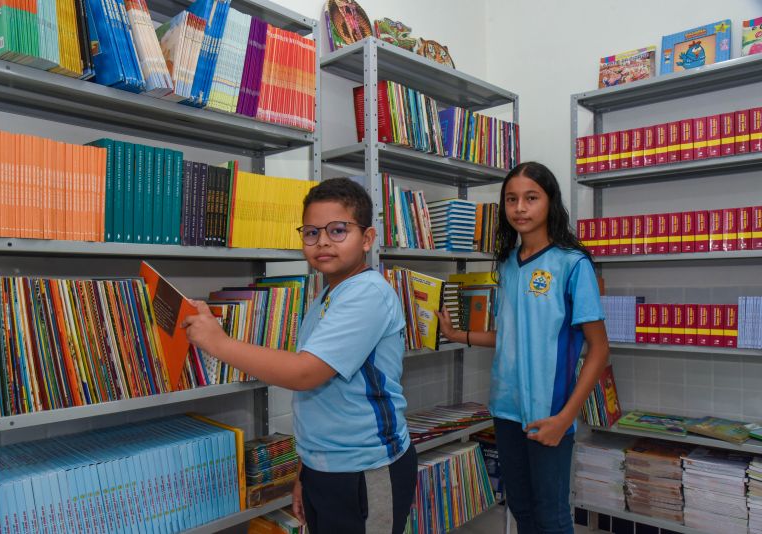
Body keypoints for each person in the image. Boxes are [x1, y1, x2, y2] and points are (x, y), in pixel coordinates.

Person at [183, 177, 417, 534]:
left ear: (367, 239)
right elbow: (318, 401)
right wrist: (307, 471)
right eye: (311, 232)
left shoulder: (367, 293)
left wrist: (219, 344)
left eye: (338, 230)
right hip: (327, 468)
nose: (322, 241)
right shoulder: (328, 296)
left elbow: (304, 374)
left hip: (366, 470)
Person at [437, 161, 609, 534]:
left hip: (549, 413)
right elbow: (511, 335)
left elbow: (598, 350)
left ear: (550, 202)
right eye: (511, 199)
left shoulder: (572, 265)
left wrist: (565, 418)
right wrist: (459, 336)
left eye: (531, 198)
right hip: (507, 410)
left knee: (552, 515)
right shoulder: (508, 265)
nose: (520, 208)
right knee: (520, 508)